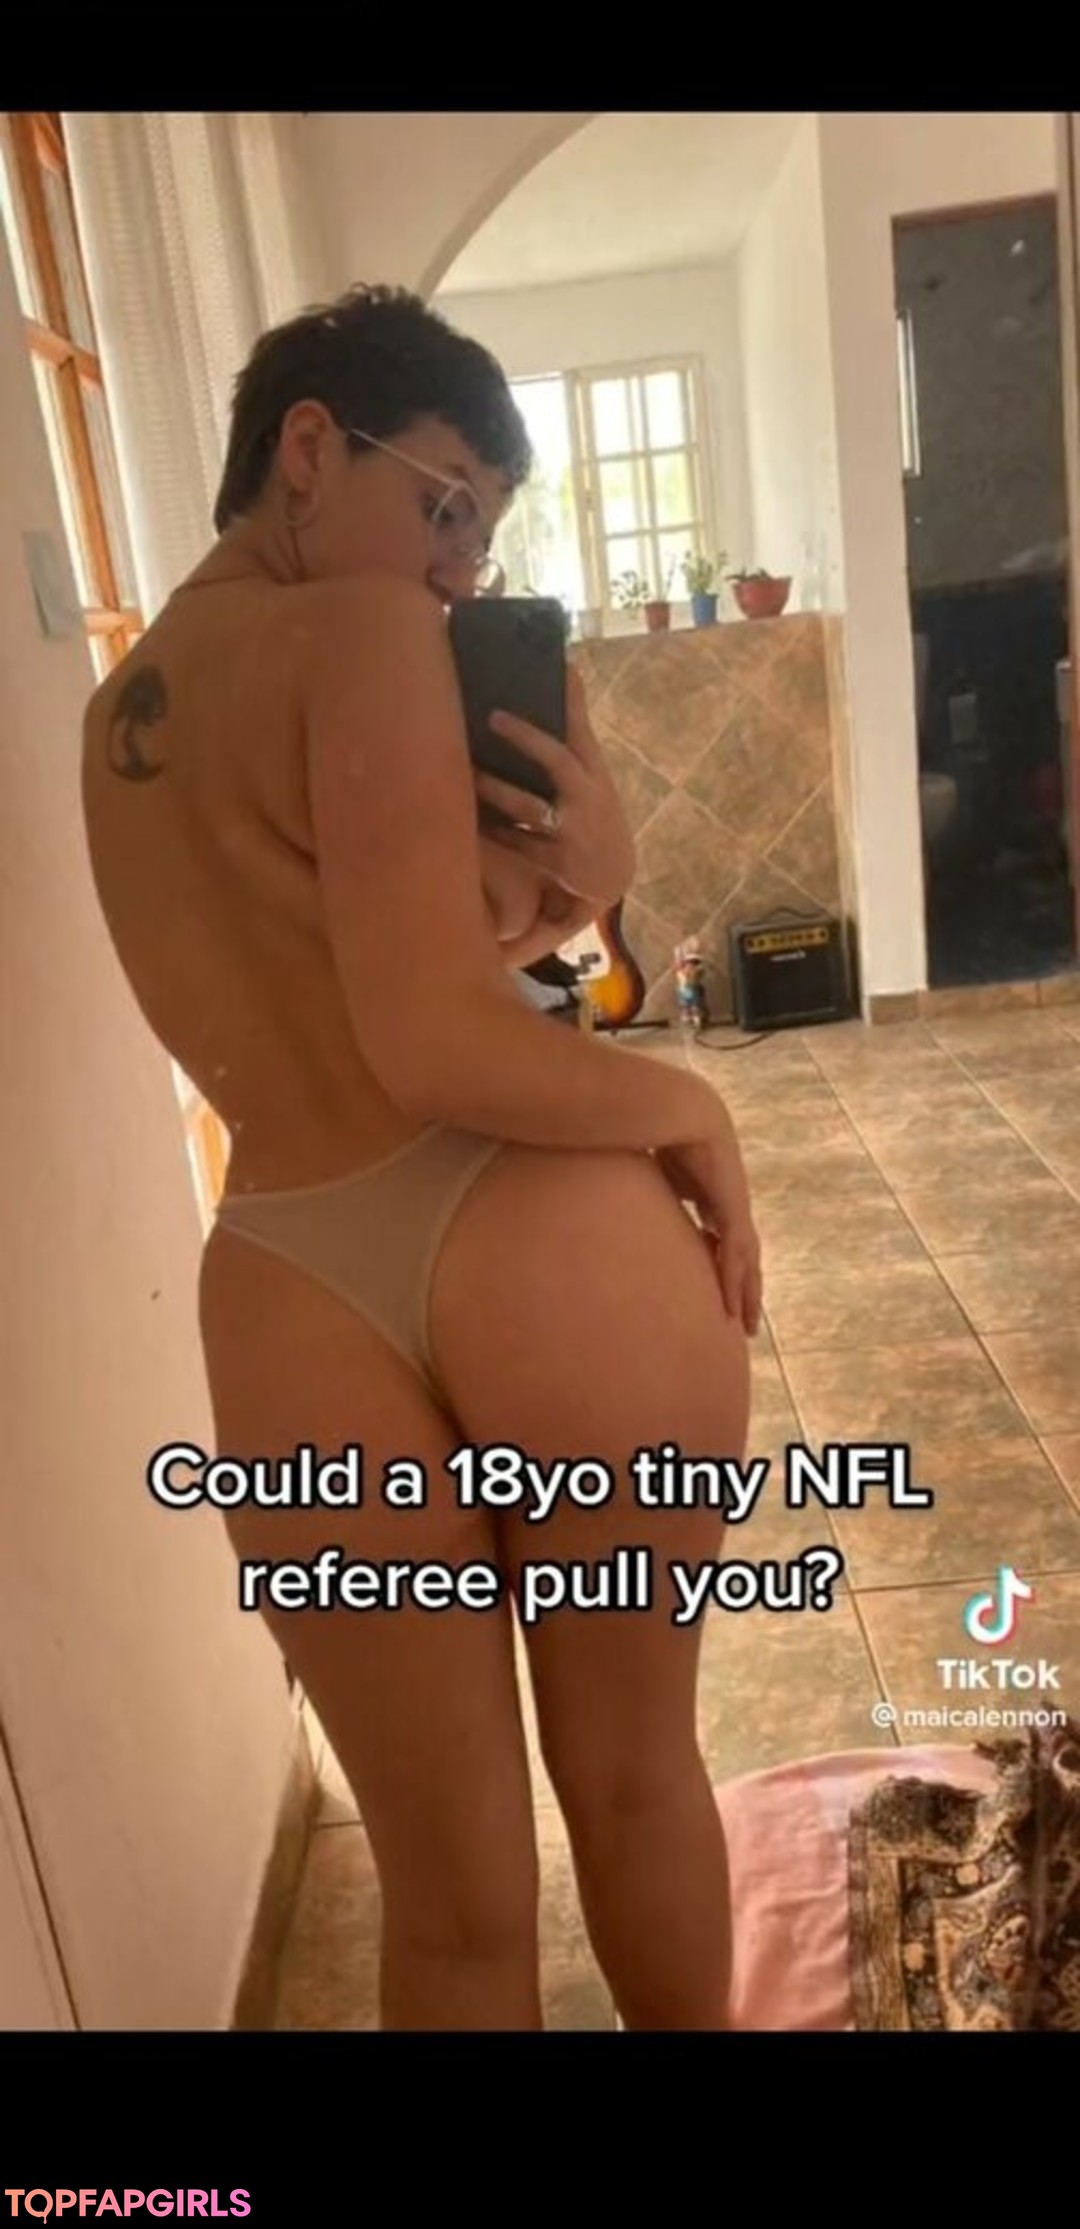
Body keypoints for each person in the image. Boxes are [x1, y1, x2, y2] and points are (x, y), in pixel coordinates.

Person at [81, 284, 762, 2034]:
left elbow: (357, 967)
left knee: (448, 1905)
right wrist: (691, 1103)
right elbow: (443, 1040)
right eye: (445, 504)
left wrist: (569, 886)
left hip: (284, 1278)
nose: (457, 570)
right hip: (523, 1230)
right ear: (310, 449)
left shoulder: (116, 715)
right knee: (634, 1778)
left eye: (481, 535)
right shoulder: (366, 625)